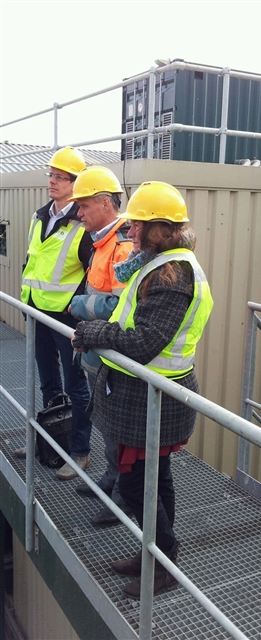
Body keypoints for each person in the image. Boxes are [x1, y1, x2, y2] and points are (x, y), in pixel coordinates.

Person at [71, 181, 213, 599]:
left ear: (158, 229)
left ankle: (164, 557)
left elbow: (145, 342)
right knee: (156, 478)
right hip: (145, 396)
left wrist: (93, 331)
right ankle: (152, 554)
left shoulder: (174, 275)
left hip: (155, 398)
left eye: (136, 225)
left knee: (134, 484)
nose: (129, 230)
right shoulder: (160, 262)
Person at [18, 147, 93, 480]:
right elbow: (34, 262)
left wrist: (74, 306)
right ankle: (49, 440)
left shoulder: (83, 222)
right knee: (48, 380)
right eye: (50, 174)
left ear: (76, 184)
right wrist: (27, 302)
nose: (52, 181)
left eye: (60, 177)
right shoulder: (40, 215)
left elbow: (95, 276)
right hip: (36, 310)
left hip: (65, 317)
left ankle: (79, 453)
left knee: (76, 385)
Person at [67, 165, 134, 524]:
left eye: (84, 206)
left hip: (112, 356)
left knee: (116, 429)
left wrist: (77, 306)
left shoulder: (121, 246)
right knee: (105, 425)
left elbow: (119, 307)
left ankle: (122, 496)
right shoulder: (103, 243)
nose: (79, 214)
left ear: (106, 204)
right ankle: (110, 480)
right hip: (98, 354)